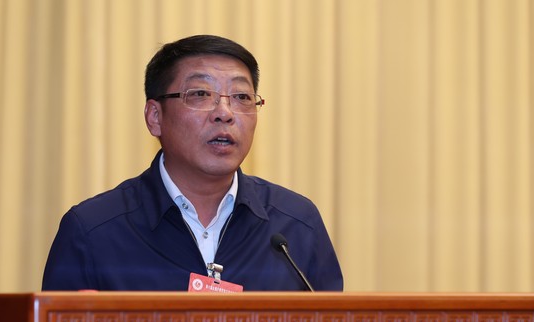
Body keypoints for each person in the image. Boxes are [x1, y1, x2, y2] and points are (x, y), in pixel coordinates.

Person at [42, 35, 343, 291]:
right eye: (200, 94)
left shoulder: (296, 227)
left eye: (241, 97)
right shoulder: (94, 232)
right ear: (155, 117)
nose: (225, 113)